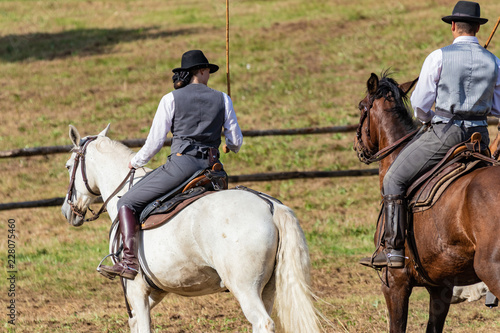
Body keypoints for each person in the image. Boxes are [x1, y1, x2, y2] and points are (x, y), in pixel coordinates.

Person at [360, 1, 500, 269]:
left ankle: (394, 250)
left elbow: (421, 104)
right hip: (479, 139)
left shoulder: (438, 57)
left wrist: (427, 120)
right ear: (477, 28)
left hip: (444, 134)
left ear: (453, 26)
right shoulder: (493, 61)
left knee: (393, 179)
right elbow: (499, 106)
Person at [100, 50, 243, 279]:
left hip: (181, 167)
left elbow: (155, 142)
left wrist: (135, 162)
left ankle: (128, 262)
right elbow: (235, 141)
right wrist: (231, 147)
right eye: (208, 71)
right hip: (213, 169)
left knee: (126, 202)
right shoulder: (223, 99)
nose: (209, 75)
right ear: (202, 70)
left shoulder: (170, 99)